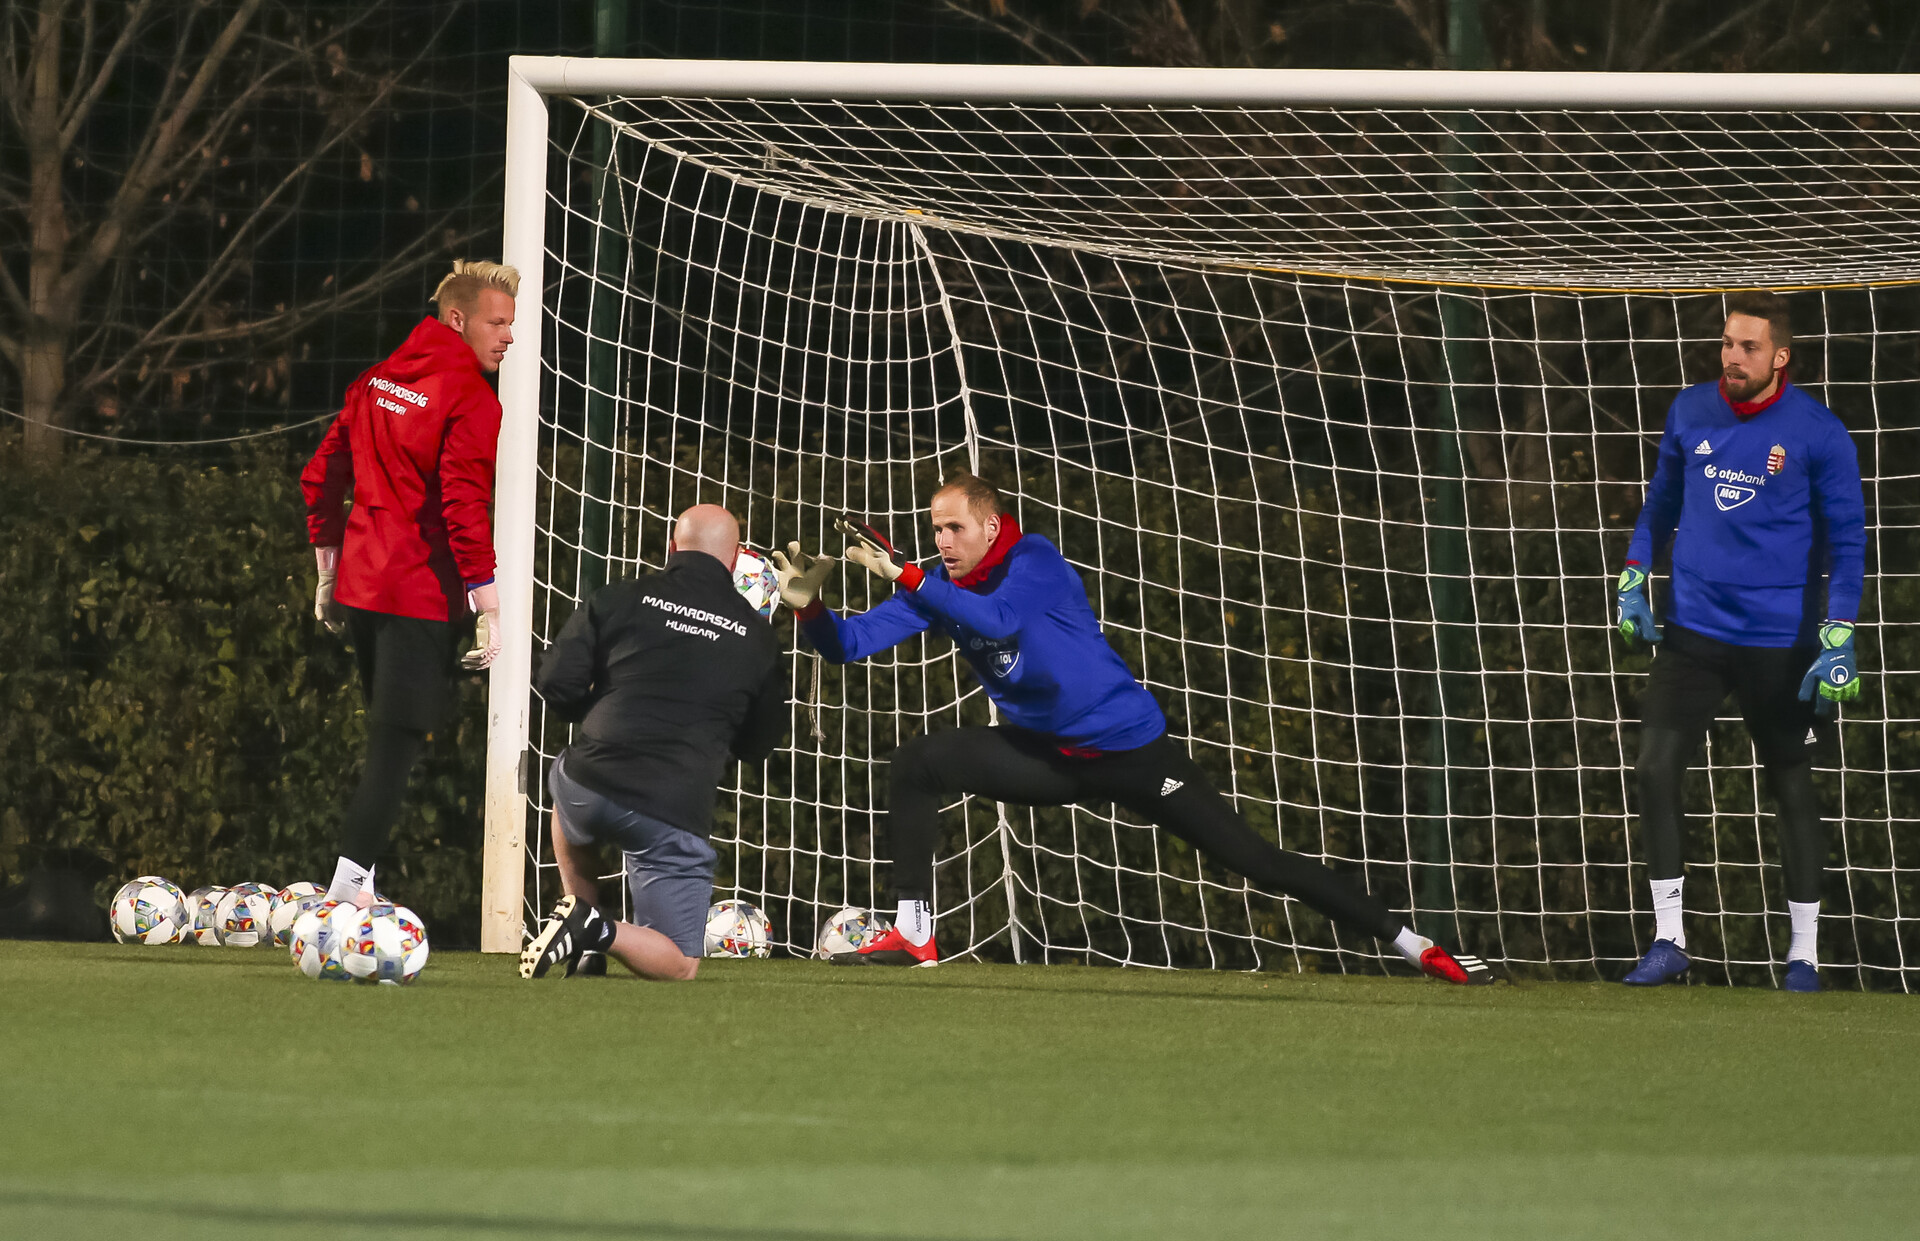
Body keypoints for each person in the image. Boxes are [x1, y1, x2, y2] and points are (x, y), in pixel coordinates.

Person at [771, 473, 1493, 983]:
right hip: (1049, 758)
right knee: (919, 763)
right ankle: (916, 936)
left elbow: (998, 620)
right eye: (934, 529)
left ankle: (1415, 945)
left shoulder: (1035, 560)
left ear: (991, 525)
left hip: (1132, 754)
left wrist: (908, 575)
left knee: (1257, 863)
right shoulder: (937, 584)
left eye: (954, 526)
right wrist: (807, 607)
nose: (943, 539)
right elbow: (848, 646)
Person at [1615, 291, 1865, 993]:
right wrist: (1635, 574)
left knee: (1790, 785)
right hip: (1693, 631)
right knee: (1654, 768)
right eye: (1727, 343)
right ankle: (1669, 941)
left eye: (1748, 346)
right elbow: (1660, 503)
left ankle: (1805, 957)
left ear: (1780, 356)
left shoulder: (1819, 432)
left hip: (1778, 643)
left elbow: (1848, 543)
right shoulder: (1690, 410)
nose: (1732, 356)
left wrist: (1838, 633)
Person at [301, 259, 518, 863]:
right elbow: (463, 505)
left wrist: (327, 568)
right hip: (417, 595)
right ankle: (345, 902)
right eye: (497, 323)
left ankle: (355, 894)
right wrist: (488, 603)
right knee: (394, 751)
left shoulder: (376, 380)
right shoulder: (471, 397)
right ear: (457, 319)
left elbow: (320, 476)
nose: (508, 336)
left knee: (386, 742)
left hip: (361, 588)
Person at [520, 505, 787, 981]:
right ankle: (593, 931)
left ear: (672, 546)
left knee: (566, 782)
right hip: (671, 808)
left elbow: (555, 682)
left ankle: (581, 928)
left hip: (589, 784)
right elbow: (757, 747)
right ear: (734, 562)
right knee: (681, 965)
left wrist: (598, 717)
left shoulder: (619, 597)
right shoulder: (759, 638)